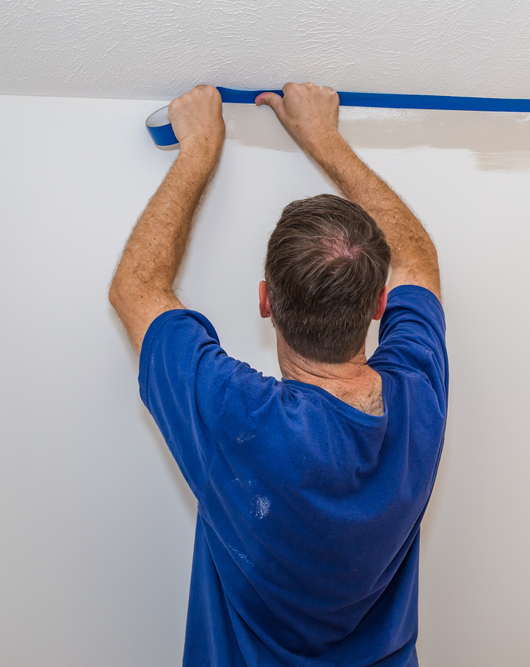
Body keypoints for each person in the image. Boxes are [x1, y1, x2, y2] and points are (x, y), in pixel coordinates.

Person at [109, 83, 447, 667]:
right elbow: (418, 258)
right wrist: (325, 139)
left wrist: (199, 150)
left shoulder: (239, 419)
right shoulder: (418, 397)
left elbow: (136, 289)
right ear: (378, 307)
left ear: (266, 301)